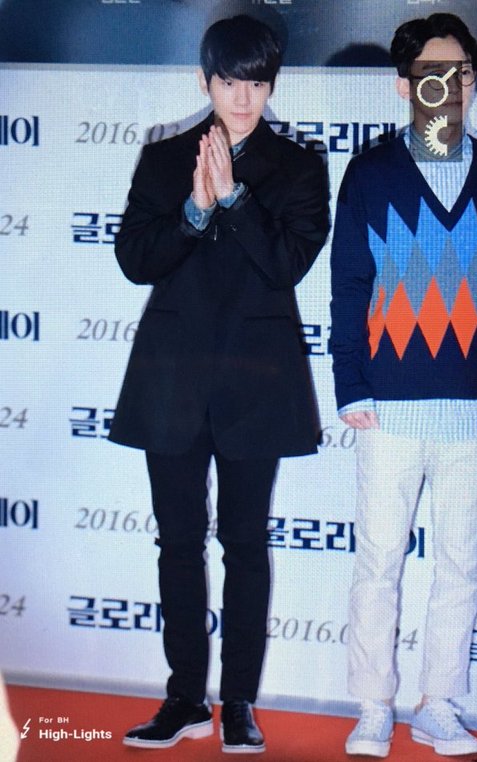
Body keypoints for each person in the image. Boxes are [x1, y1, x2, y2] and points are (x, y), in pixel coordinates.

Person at [109, 13, 329, 754]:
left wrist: (235, 200)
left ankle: (237, 702)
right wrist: (194, 211)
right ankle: (183, 698)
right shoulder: (164, 157)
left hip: (256, 385)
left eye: (256, 83)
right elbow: (135, 259)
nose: (242, 98)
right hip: (170, 380)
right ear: (205, 81)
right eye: (229, 82)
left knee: (244, 543)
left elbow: (287, 265)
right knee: (177, 543)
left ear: (272, 85)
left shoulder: (299, 167)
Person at [331, 12, 477, 759]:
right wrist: (350, 385)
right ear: (402, 86)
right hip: (387, 410)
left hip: (473, 412)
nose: (448, 86)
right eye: (432, 74)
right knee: (379, 562)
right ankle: (372, 707)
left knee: (461, 565)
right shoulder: (369, 174)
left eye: (462, 73)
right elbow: (348, 287)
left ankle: (439, 704)